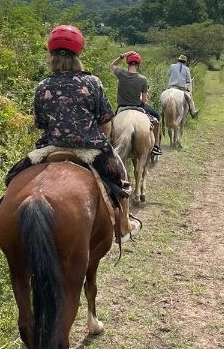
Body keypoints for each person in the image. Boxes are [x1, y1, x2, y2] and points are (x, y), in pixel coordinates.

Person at [29, 25, 138, 241]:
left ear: (50, 56)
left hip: (50, 147)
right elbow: (106, 123)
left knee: (13, 176)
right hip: (90, 148)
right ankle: (123, 225)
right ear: (77, 55)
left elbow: (40, 124)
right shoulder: (92, 82)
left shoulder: (43, 86)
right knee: (120, 177)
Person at [109, 50, 162, 156]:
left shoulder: (121, 74)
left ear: (127, 64)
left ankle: (109, 145)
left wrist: (123, 55)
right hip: (138, 107)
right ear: (139, 64)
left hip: (122, 108)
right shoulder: (143, 79)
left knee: (110, 125)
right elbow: (144, 100)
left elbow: (112, 65)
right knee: (157, 119)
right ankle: (156, 146)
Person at [167, 52, 198, 118]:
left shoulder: (172, 66)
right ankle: (193, 111)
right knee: (189, 99)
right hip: (181, 88)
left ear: (178, 60)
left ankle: (162, 111)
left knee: (164, 95)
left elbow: (169, 74)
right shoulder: (187, 69)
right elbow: (188, 80)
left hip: (171, 87)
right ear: (185, 62)